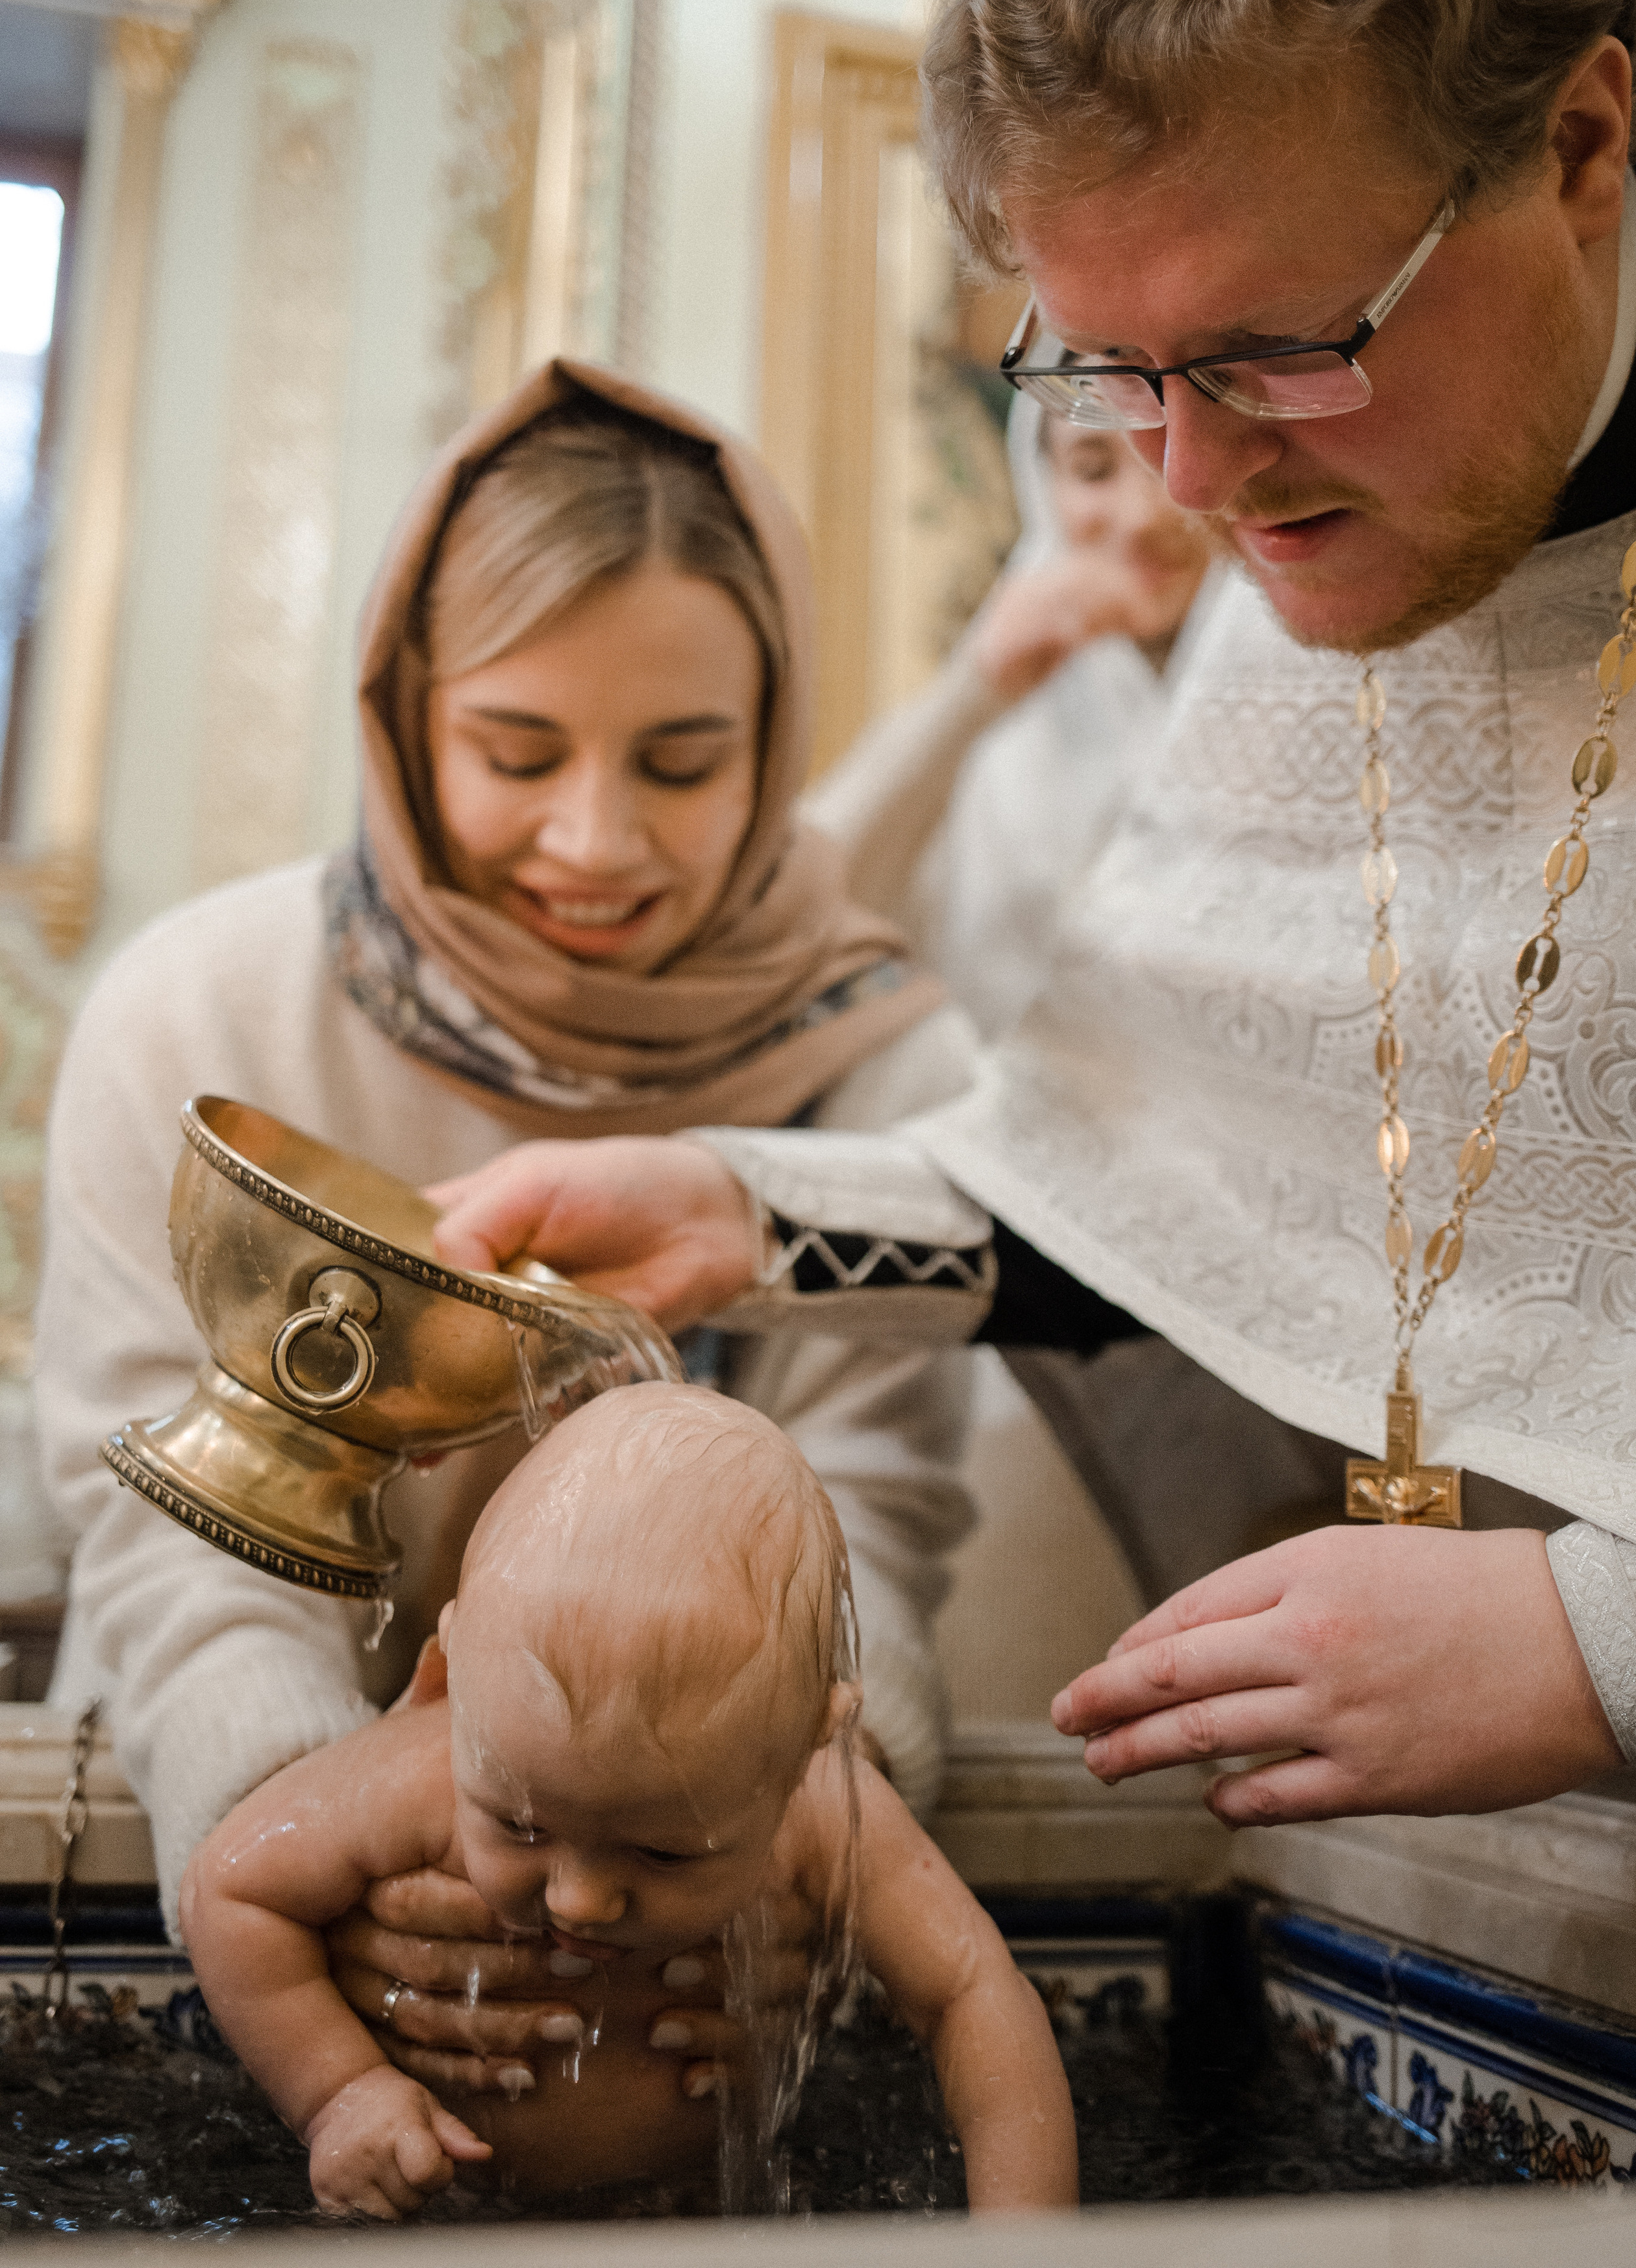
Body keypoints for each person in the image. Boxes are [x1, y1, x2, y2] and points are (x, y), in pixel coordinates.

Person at [423, 0, 1636, 1832]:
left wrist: (1604, 1646)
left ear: (1576, 148)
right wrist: (750, 1211)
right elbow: (1172, 1197)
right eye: (1100, 369)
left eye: (1275, 351)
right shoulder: (1313, 510)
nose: (1188, 484)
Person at [37, 362, 977, 2108]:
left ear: (776, 739)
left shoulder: (887, 1068)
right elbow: (153, 1515)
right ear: (405, 715)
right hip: (257, 1874)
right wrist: (312, 1825)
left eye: (685, 762)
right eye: (515, 752)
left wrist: (788, 1827)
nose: (598, 842)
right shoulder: (197, 1024)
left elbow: (872, 1533)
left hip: (701, 1868)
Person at [180, 1384, 1077, 2219]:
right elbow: (230, 1889)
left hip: (691, 2214)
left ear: (812, 1742)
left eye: (664, 1852)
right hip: (441, 2214)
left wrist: (1017, 2242)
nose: (578, 1899)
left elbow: (970, 1994)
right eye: (520, 1825)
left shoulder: (825, 1803)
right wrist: (340, 2094)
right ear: (450, 1680)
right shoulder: (416, 1775)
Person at [808, 401, 1224, 1039]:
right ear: (1041, 483)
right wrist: (973, 694)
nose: (1144, 516)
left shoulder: (1325, 691)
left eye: (1172, 459)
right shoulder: (1002, 703)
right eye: (1091, 470)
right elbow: (804, 913)